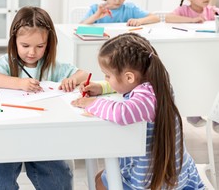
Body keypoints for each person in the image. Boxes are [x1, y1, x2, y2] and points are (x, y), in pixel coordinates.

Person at [71, 33, 204, 189]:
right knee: (101, 176)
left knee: (100, 182)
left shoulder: (147, 98)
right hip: (169, 167)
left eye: (107, 76)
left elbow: (122, 113)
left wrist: (92, 103)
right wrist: (102, 87)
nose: (106, 79)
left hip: (154, 178)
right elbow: (128, 86)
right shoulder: (155, 83)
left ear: (129, 77)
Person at [0, 6, 87, 190]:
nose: (32, 52)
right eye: (25, 46)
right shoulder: (8, 62)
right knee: (1, 182)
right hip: (8, 137)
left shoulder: (52, 66)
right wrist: (19, 83)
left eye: (40, 46)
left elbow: (83, 74)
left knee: (59, 180)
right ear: (14, 42)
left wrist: (72, 79)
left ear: (49, 43)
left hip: (43, 137)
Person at [166, 0, 219, 129]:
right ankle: (192, 113)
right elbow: (169, 18)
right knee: (192, 81)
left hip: (207, 54)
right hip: (189, 55)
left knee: (211, 81)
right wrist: (191, 20)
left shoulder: (211, 11)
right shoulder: (184, 10)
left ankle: (215, 117)